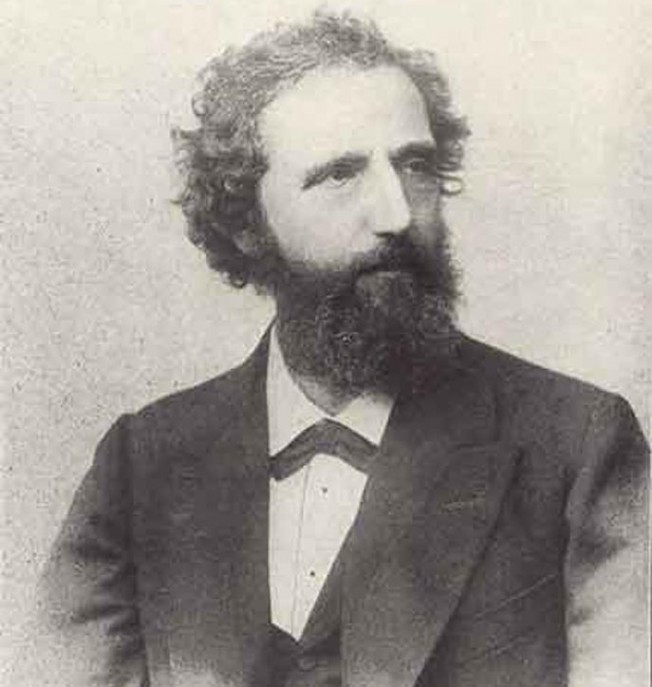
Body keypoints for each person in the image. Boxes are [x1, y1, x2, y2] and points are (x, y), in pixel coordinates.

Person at [25, 11, 648, 687]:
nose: (397, 214)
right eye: (340, 174)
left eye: (416, 165)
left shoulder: (579, 447)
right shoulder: (141, 464)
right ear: (246, 222)